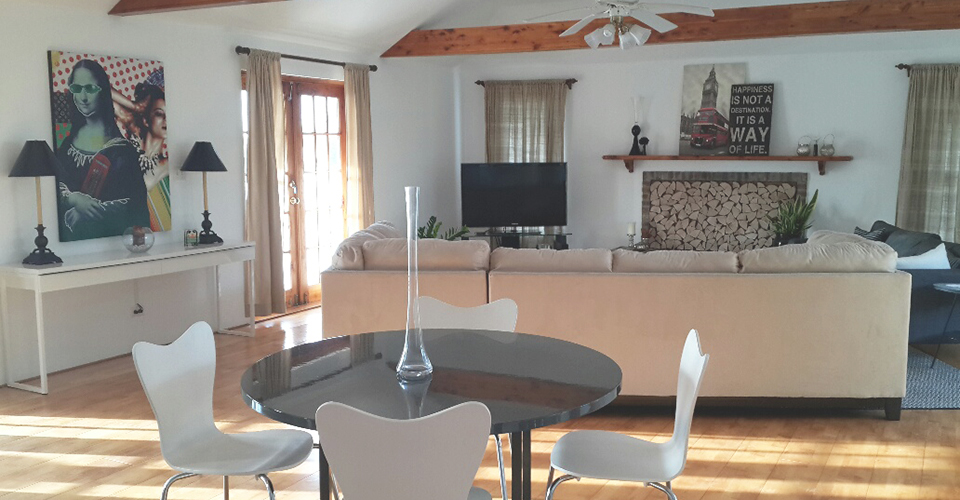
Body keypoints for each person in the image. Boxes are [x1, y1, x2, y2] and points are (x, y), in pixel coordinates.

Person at [54, 59, 149, 241]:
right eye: (76, 89)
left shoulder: (123, 151)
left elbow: (135, 204)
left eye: (90, 89)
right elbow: (56, 184)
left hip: (112, 243)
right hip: (73, 246)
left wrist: (90, 211)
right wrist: (73, 199)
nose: (83, 98)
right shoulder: (68, 143)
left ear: (103, 91)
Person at [114, 82, 170, 231]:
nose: (166, 120)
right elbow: (97, 86)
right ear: (146, 120)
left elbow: (132, 195)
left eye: (169, 115)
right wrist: (134, 106)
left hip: (129, 226)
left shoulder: (165, 164)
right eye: (159, 113)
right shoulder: (133, 135)